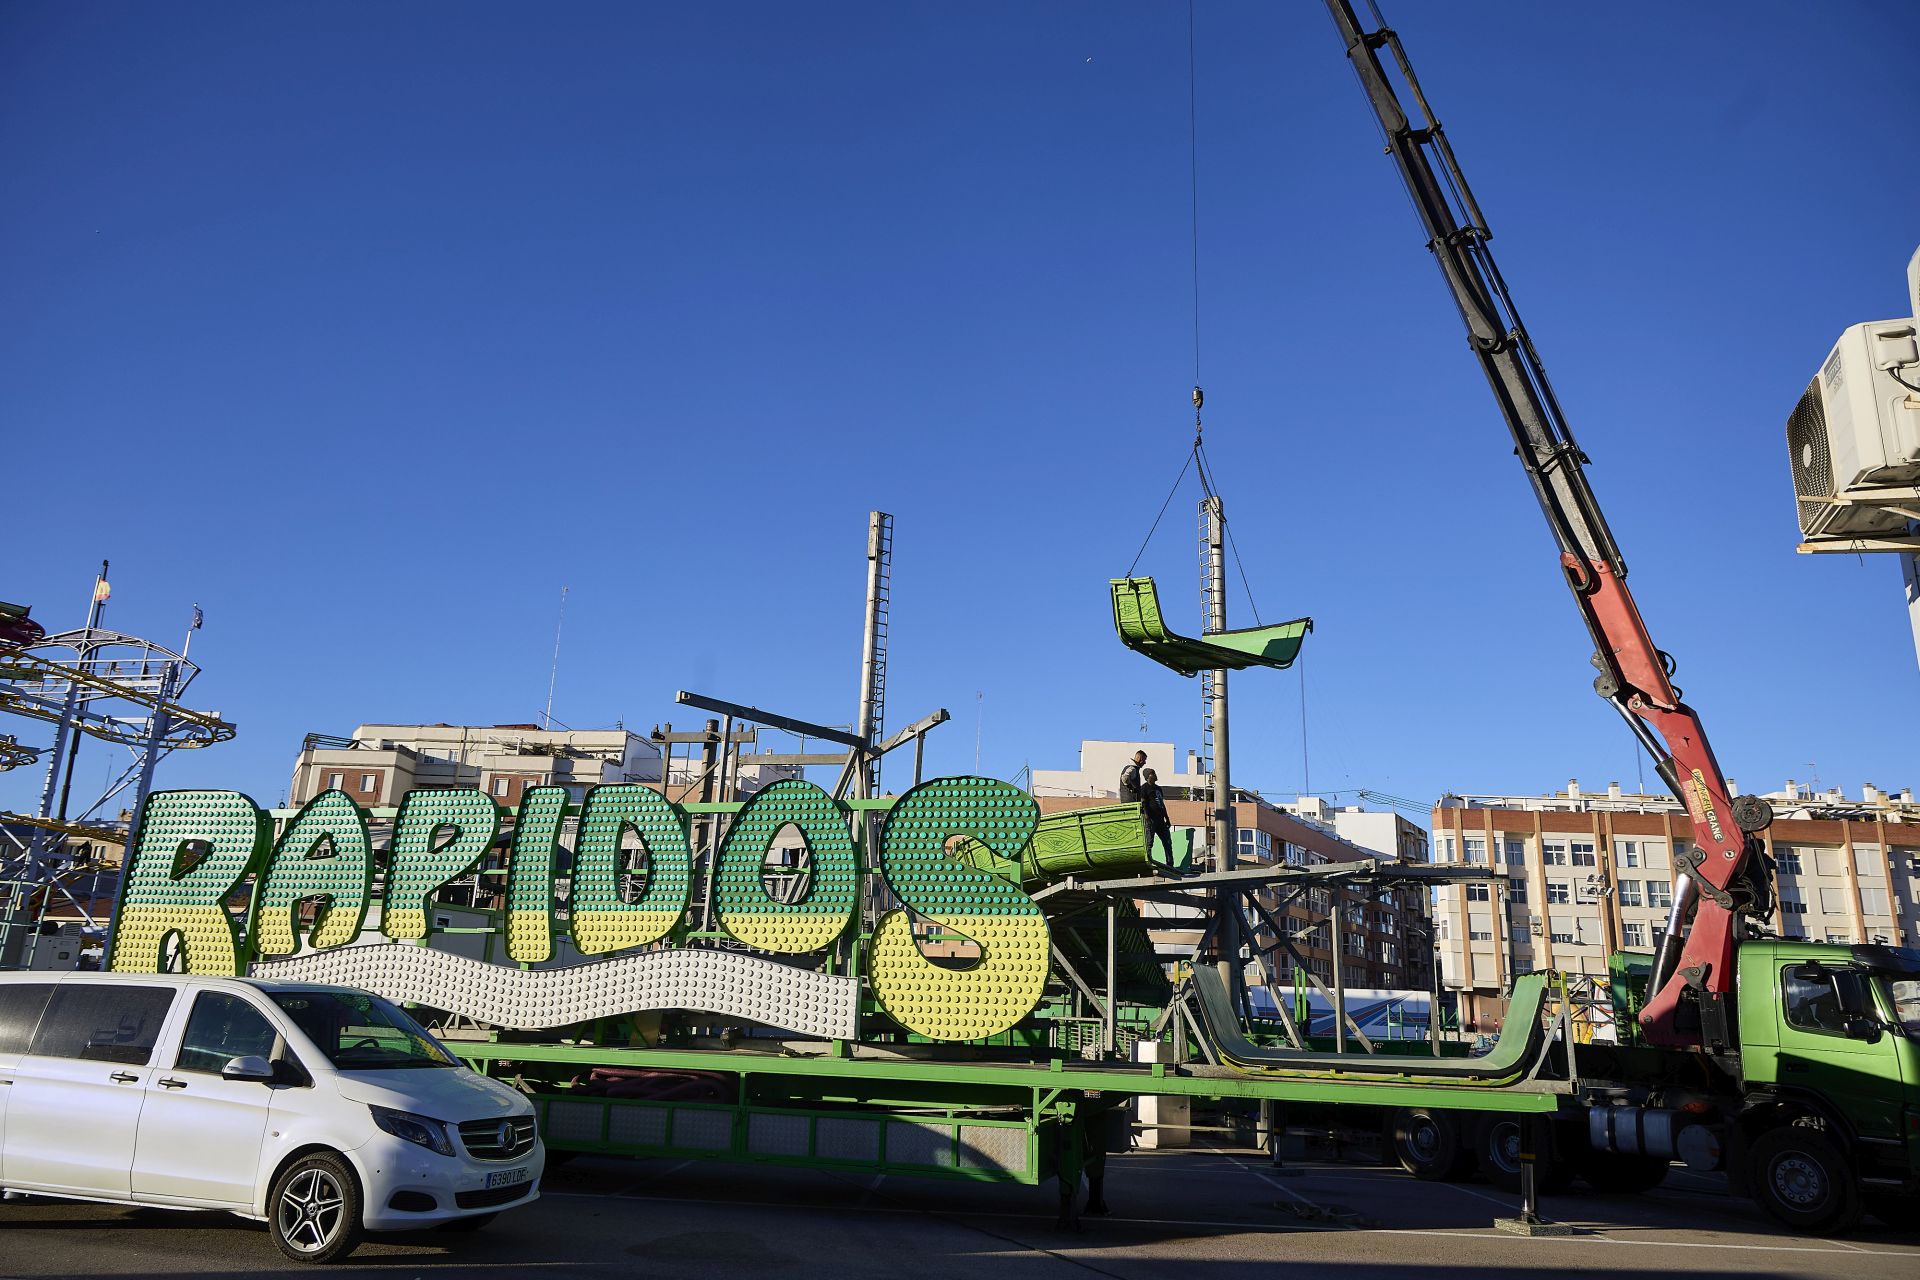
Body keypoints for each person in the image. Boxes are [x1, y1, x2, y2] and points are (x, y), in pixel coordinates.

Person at [1139, 768, 1174, 863]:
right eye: (1153, 773)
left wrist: (1167, 818)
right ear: (1148, 776)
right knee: (1149, 842)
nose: (1155, 775)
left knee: (1167, 841)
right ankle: (1149, 861)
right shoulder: (1144, 788)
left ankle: (1170, 863)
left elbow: (1162, 804)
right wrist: (1147, 816)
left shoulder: (1158, 788)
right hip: (1151, 819)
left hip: (1161, 820)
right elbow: (1143, 803)